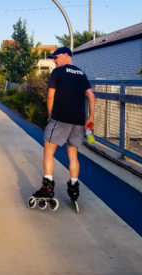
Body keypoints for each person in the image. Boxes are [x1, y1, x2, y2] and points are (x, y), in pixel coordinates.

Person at [33, 47, 96, 203]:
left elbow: (50, 96)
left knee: (48, 151)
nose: (54, 60)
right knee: (73, 155)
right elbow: (91, 96)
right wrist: (91, 117)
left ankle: (47, 187)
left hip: (60, 119)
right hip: (79, 121)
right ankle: (74, 188)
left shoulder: (58, 72)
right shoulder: (81, 73)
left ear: (66, 55)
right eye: (53, 58)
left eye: (56, 57)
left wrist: (50, 115)